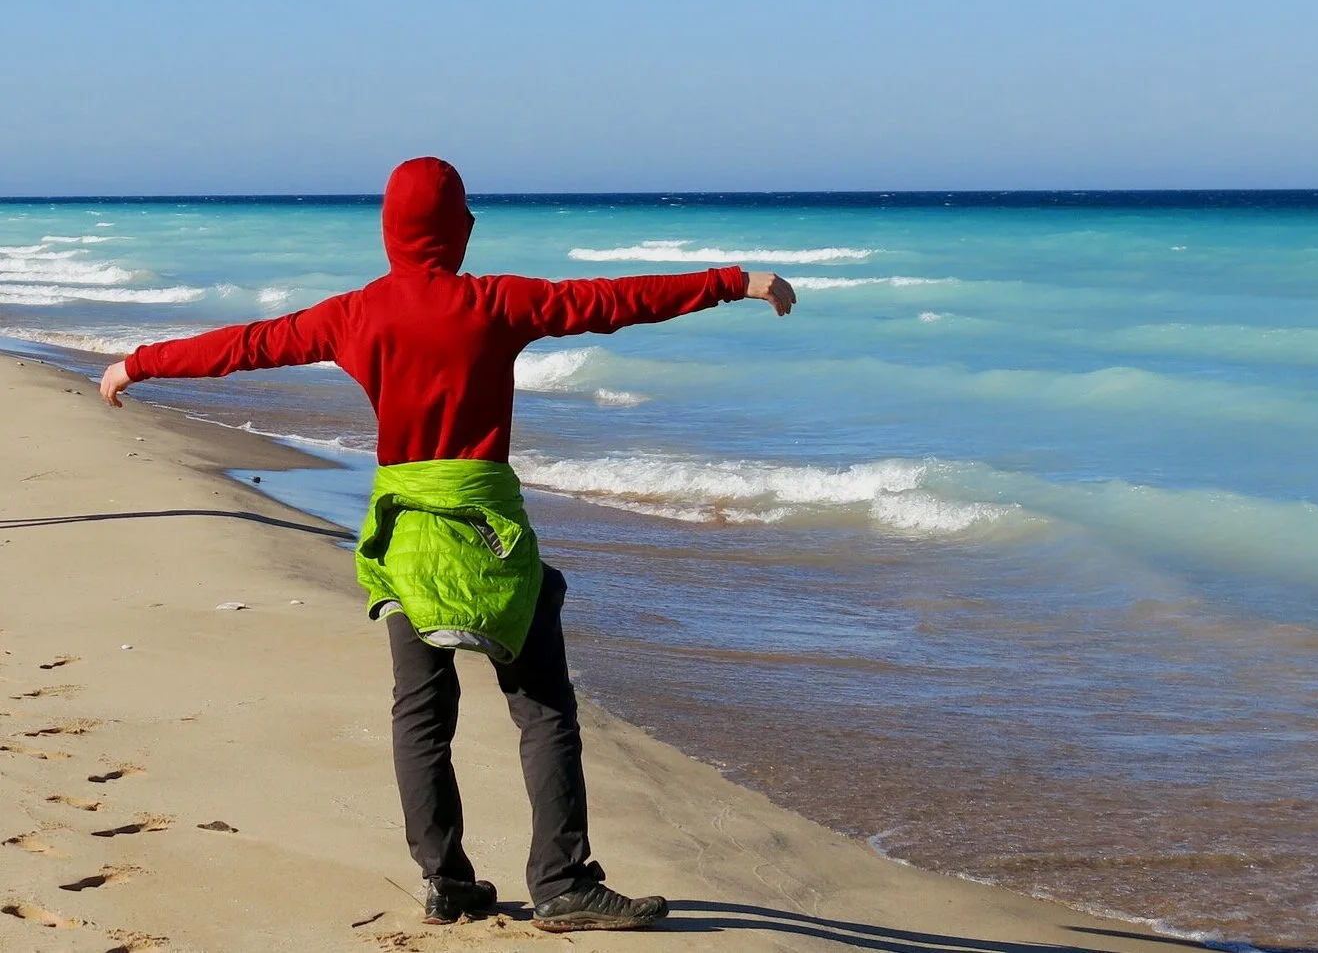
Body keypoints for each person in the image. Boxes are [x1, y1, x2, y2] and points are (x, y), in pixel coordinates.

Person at [98, 157, 796, 931]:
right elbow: (613, 300)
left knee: (422, 711)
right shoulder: (494, 302)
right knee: (543, 708)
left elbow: (248, 344)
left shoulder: (355, 314)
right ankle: (562, 879)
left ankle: (445, 879)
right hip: (487, 537)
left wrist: (138, 363)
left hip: (406, 537)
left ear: (390, 232)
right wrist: (735, 281)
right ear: (459, 228)